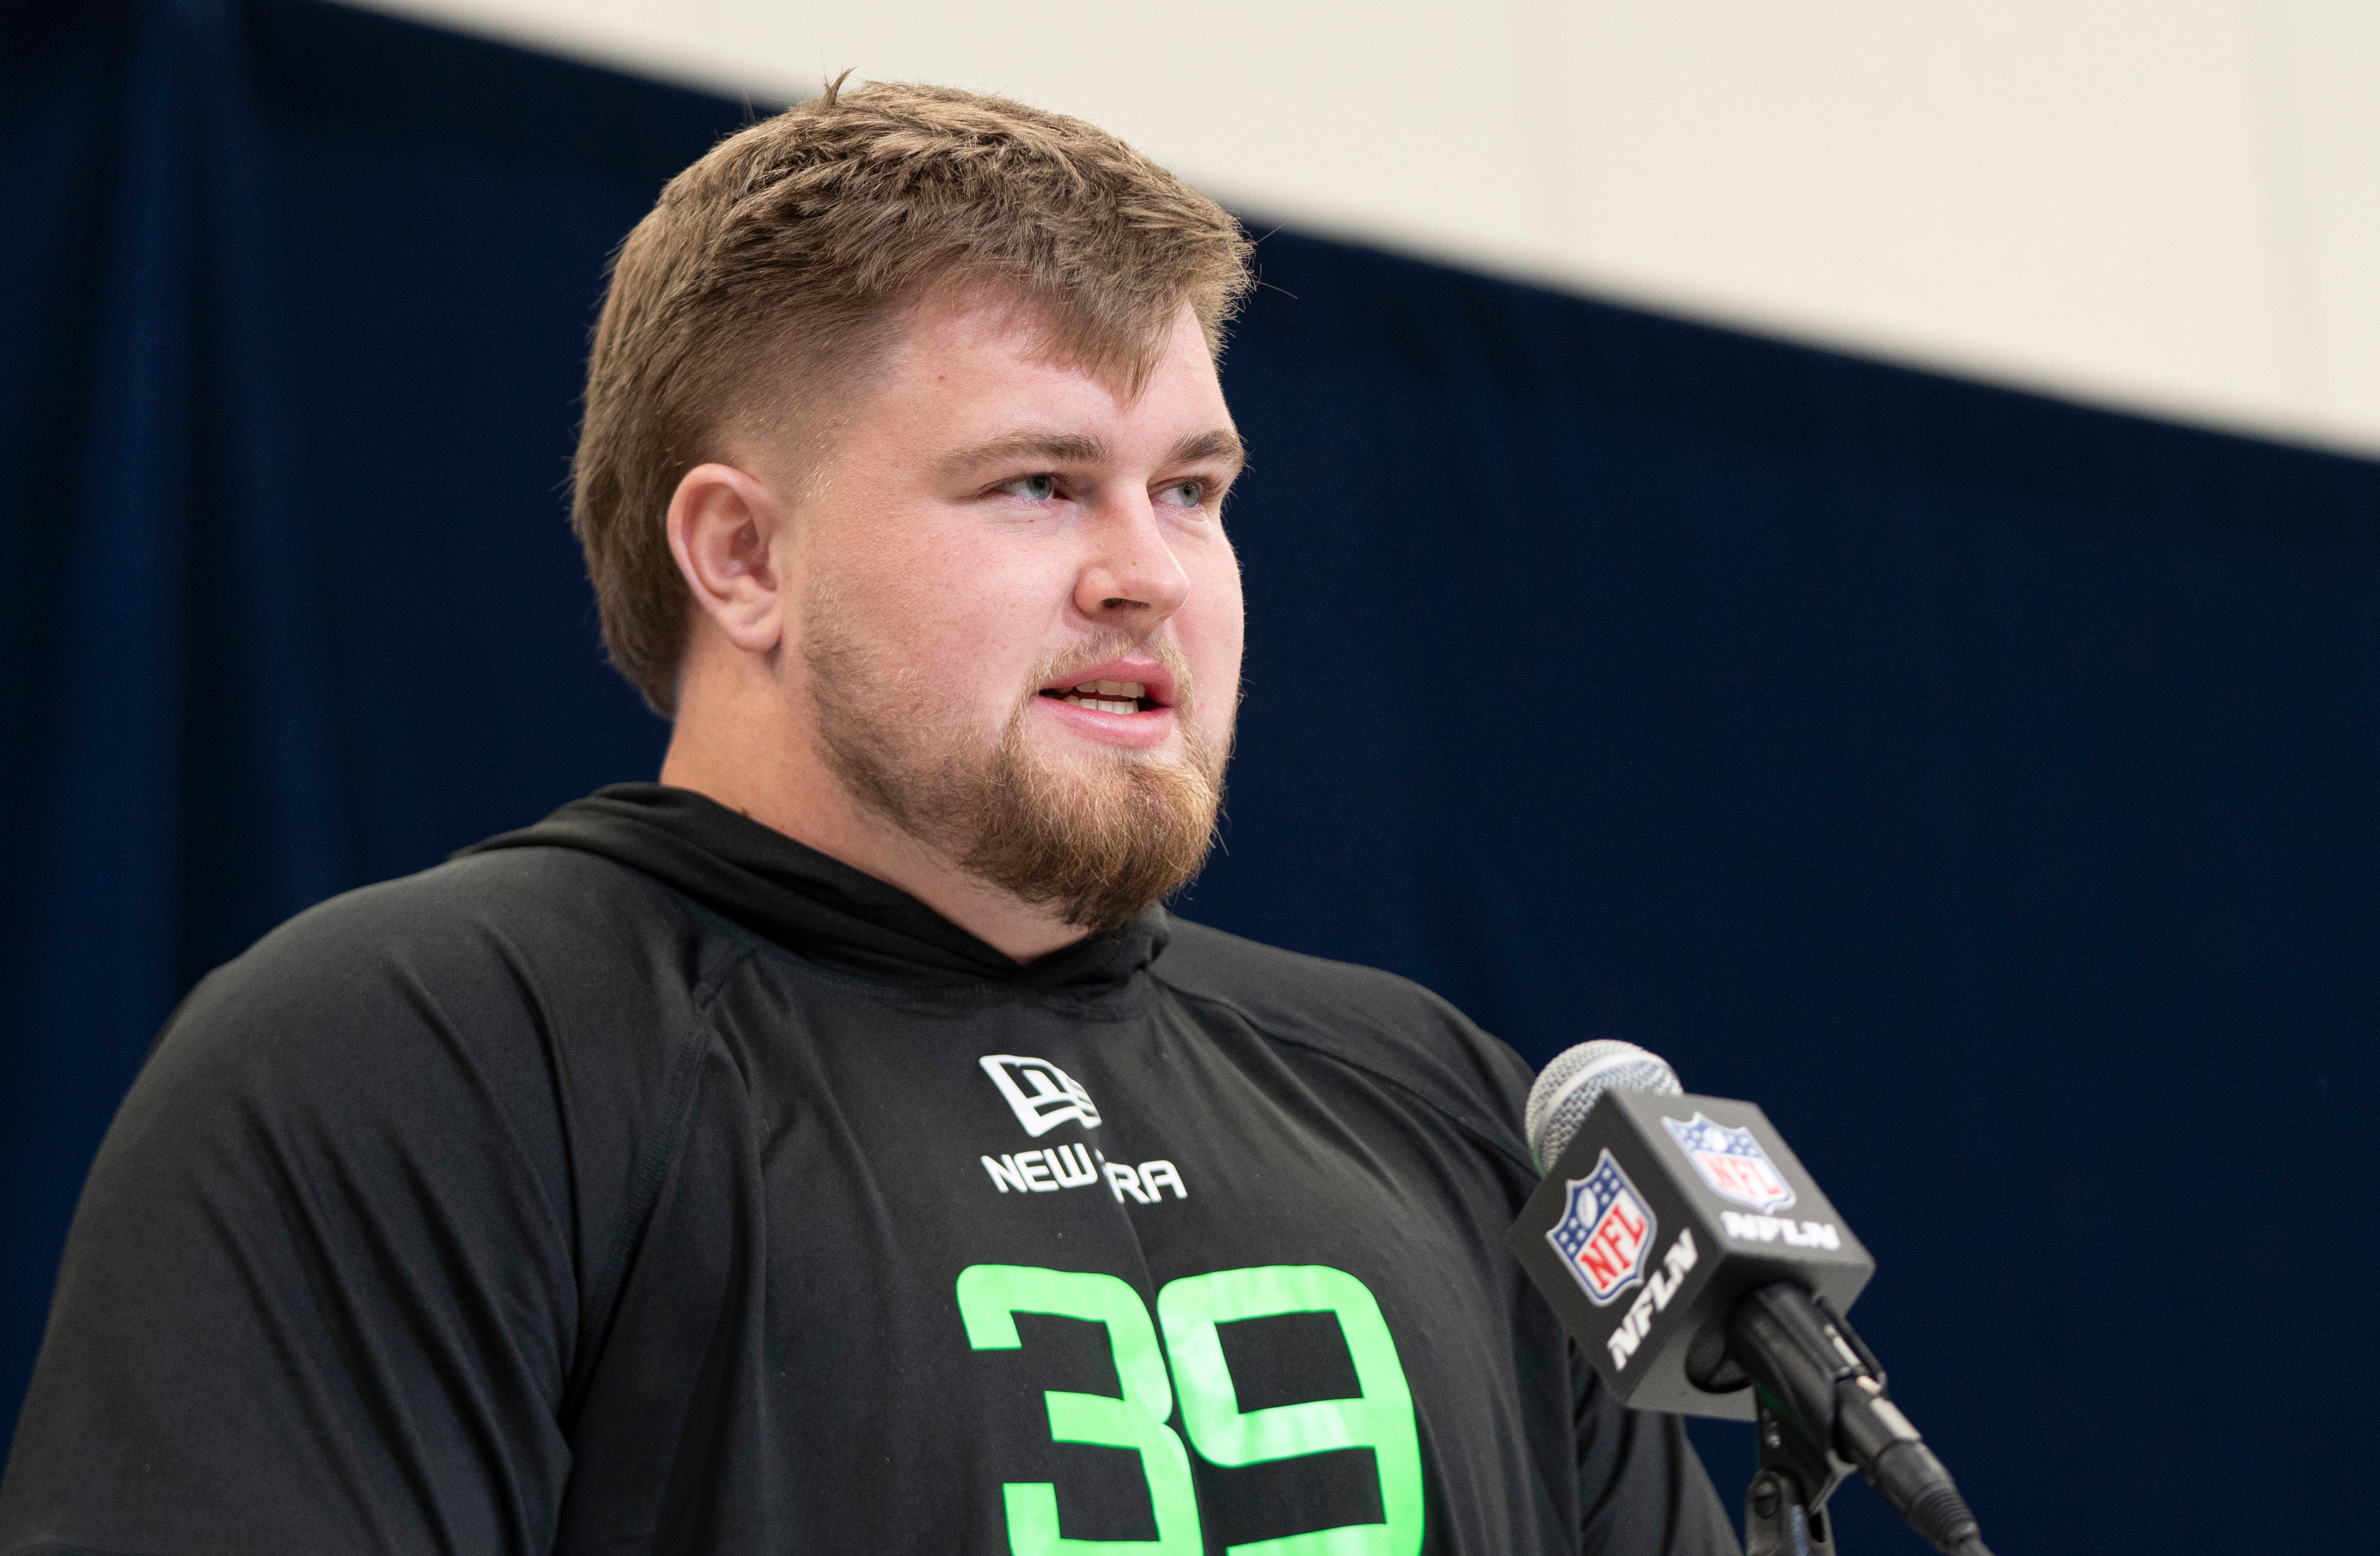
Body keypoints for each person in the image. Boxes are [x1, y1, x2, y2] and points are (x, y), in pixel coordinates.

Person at [0, 83, 1736, 1554]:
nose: (1150, 574)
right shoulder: (418, 1054)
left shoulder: (1441, 1100)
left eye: (1192, 492)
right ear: (742, 554)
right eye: (1040, 482)